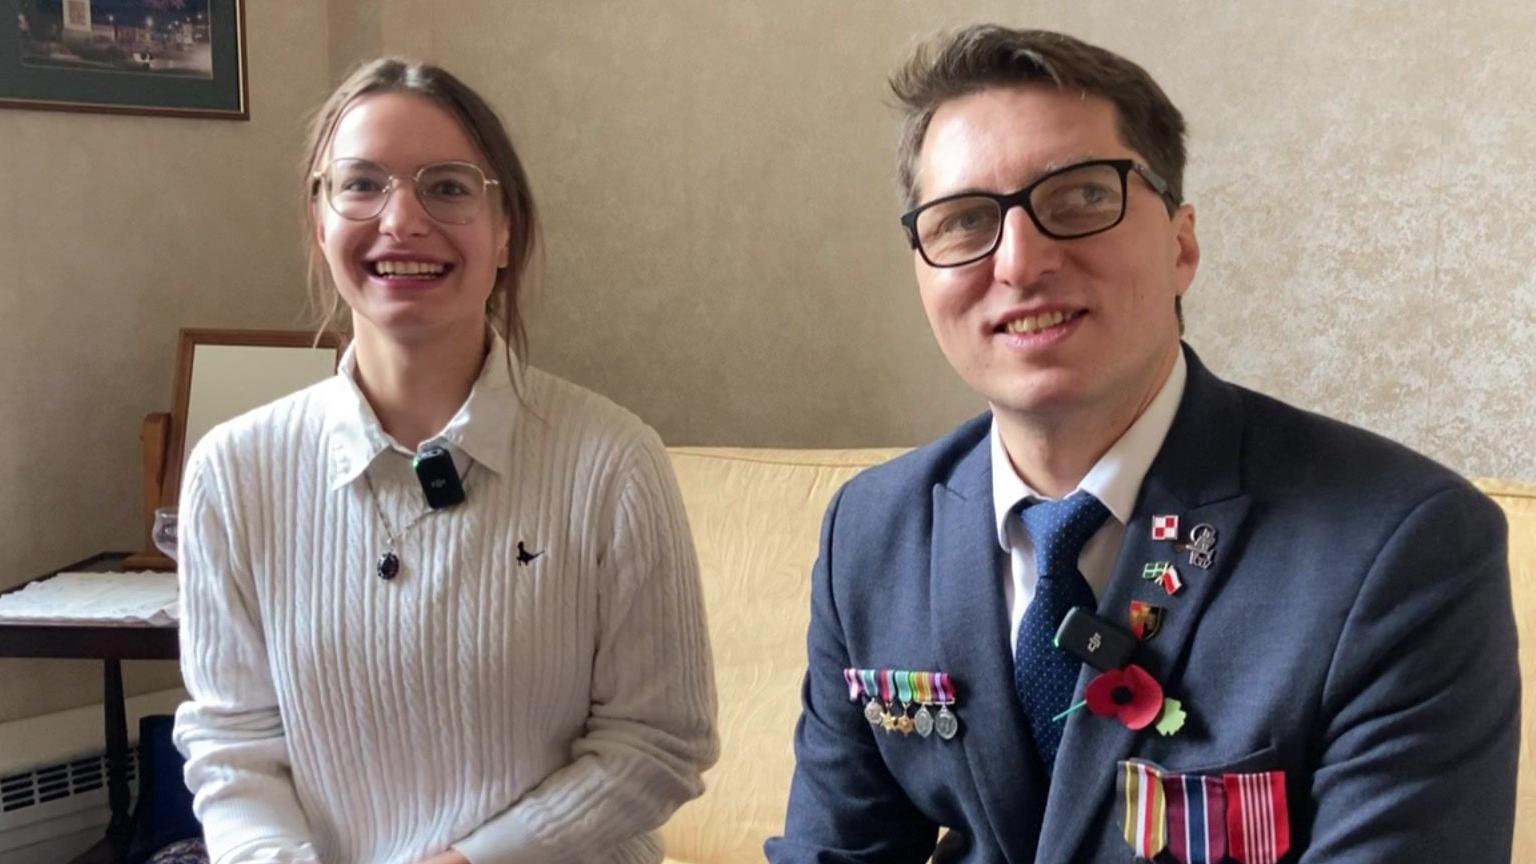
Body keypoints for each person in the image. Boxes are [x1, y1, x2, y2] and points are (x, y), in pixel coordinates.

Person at [766, 25, 1518, 864]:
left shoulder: (1401, 548)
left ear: (1181, 243)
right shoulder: (871, 530)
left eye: (1082, 198)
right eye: (965, 220)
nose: (1019, 262)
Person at [173, 59, 717, 864]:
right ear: (320, 223)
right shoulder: (233, 473)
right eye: (361, 184)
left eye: (450, 187)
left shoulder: (613, 463)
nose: (402, 220)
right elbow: (234, 746)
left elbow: (661, 740)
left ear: (507, 233)